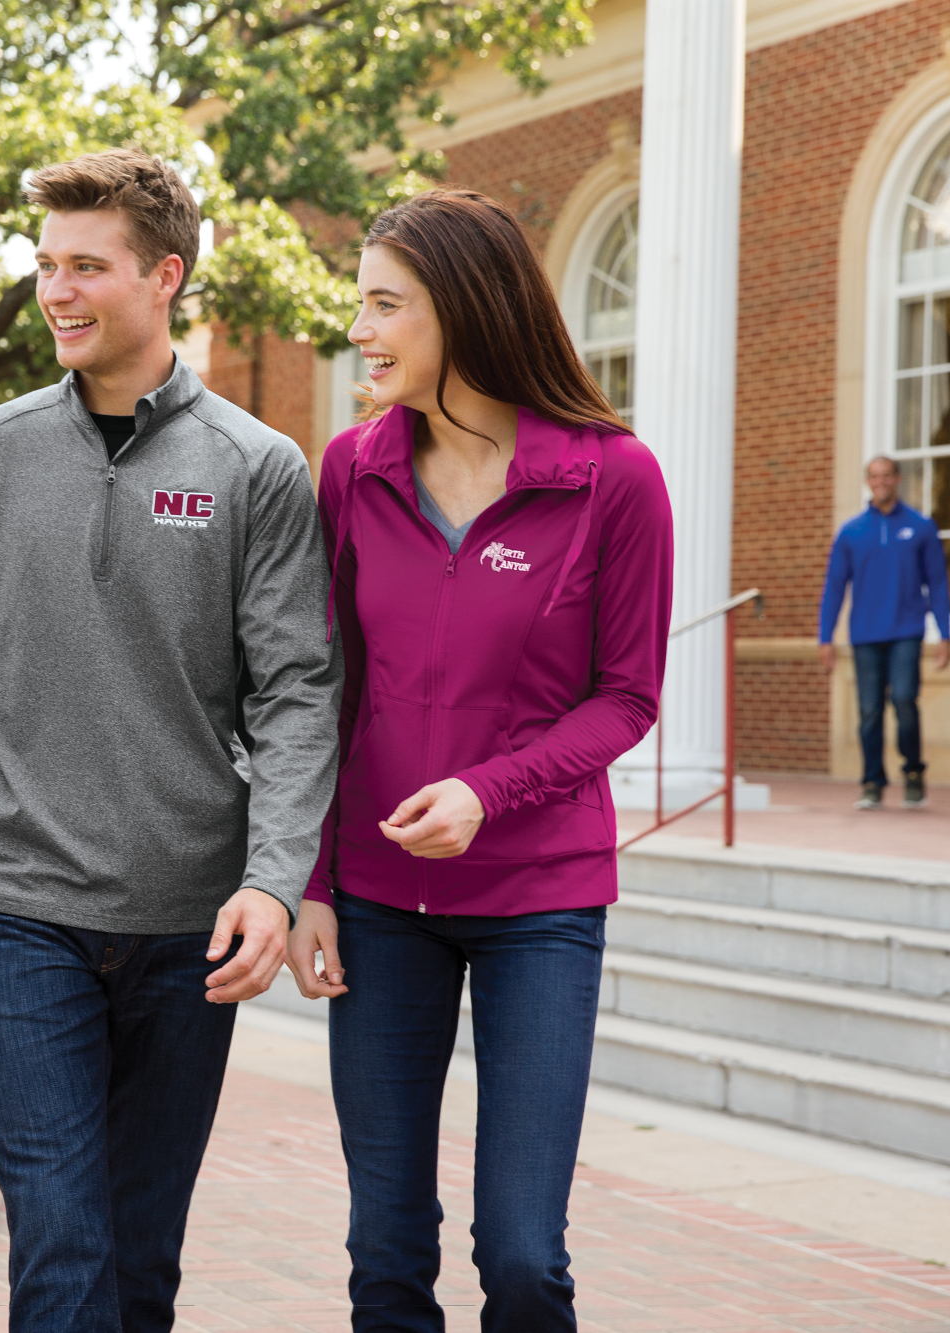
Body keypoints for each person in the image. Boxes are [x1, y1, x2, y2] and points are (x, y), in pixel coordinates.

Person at [0, 148, 341, 1332]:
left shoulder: (255, 468)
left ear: (163, 277)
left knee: (139, 1262)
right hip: (17, 912)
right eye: (46, 264)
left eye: (85, 266)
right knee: (60, 1243)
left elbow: (298, 693)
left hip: (183, 925)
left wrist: (271, 878)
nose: (55, 290)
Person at [283, 189, 673, 1333]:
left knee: (518, 1255)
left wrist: (485, 791)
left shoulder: (612, 478)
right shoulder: (350, 469)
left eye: (382, 304)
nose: (357, 329)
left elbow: (628, 697)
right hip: (375, 900)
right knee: (385, 1250)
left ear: (463, 309)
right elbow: (323, 688)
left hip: (538, 898)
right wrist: (309, 882)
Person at [817, 455, 950, 811]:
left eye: (886, 475)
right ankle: (872, 782)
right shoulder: (851, 532)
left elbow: (937, 583)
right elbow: (834, 587)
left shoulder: (921, 527)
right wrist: (825, 637)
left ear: (898, 479)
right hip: (864, 634)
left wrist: (945, 633)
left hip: (906, 631)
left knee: (905, 701)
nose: (880, 482)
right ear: (867, 482)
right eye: (874, 476)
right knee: (869, 711)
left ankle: (913, 773)